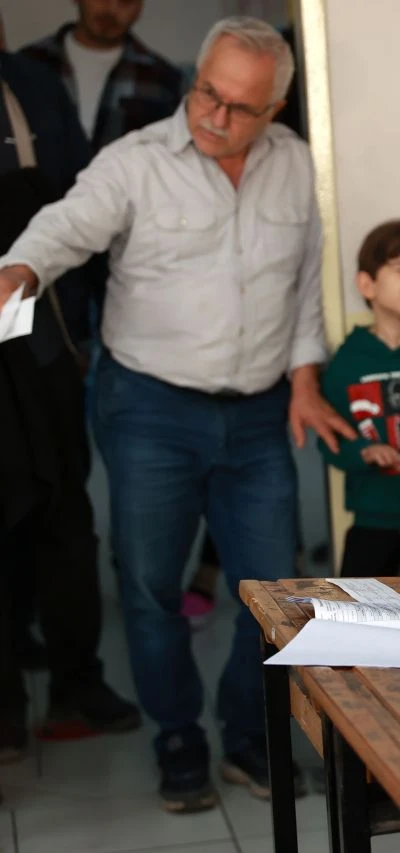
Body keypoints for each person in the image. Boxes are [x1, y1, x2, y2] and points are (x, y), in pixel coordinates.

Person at [0, 16, 352, 813]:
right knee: (154, 587)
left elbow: (303, 282)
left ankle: (249, 736)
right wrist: (19, 266)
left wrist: (304, 378)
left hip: (261, 410)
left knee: (274, 589)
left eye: (239, 107)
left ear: (277, 109)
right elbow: (66, 227)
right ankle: (179, 741)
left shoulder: (296, 165)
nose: (214, 116)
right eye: (207, 93)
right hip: (150, 407)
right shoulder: (133, 164)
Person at [0, 7, 140, 767]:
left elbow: (80, 212)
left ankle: (76, 681)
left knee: (62, 511)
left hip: (41, 331)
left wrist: (77, 332)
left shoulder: (31, 84)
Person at [320, 219, 400, 576]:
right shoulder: (347, 361)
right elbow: (328, 440)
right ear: (367, 283)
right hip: (373, 521)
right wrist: (362, 452)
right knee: (356, 621)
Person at [21, 0, 182, 151]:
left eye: (125, 1)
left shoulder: (162, 79)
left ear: (140, 6)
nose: (111, 10)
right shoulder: (28, 65)